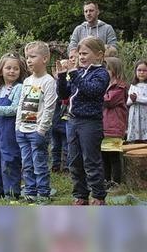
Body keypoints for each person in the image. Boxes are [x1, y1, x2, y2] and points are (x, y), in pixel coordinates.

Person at [56, 37, 109, 205]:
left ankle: (98, 196)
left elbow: (91, 90)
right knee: (75, 160)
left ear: (99, 55)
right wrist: (62, 77)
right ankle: (81, 195)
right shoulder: (79, 72)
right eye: (79, 54)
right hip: (73, 121)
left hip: (90, 123)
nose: (81, 57)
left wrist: (73, 73)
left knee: (91, 161)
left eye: (85, 53)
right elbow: (64, 95)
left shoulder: (101, 73)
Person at [15, 41, 57, 205]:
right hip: (23, 130)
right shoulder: (26, 81)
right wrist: (18, 126)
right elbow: (21, 104)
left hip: (37, 132)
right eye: (27, 57)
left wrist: (41, 130)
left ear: (45, 59)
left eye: (33, 56)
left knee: (39, 164)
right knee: (26, 164)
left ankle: (43, 193)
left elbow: (49, 107)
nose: (29, 60)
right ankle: (30, 192)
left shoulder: (48, 81)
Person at [0, 53, 27, 200]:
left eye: (16, 69)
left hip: (10, 128)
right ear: (1, 71)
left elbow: (15, 109)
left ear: (20, 72)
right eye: (8, 68)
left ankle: (11, 191)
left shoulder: (19, 88)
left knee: (10, 157)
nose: (12, 71)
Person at [102, 56, 128, 190]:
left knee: (114, 156)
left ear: (114, 69)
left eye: (107, 68)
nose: (104, 71)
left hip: (114, 128)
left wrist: (97, 93)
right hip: (104, 127)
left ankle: (116, 182)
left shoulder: (120, 87)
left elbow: (109, 101)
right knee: (104, 156)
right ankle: (106, 180)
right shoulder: (106, 85)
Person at [51, 48, 77, 173]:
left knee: (67, 144)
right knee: (55, 145)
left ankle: (67, 167)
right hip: (56, 118)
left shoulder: (73, 79)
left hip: (68, 117)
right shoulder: (56, 82)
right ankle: (55, 166)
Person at [126, 59, 147, 143]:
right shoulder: (133, 85)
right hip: (134, 115)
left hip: (144, 115)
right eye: (139, 70)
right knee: (135, 139)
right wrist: (131, 100)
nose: (141, 72)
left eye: (144, 70)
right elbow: (128, 102)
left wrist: (137, 99)